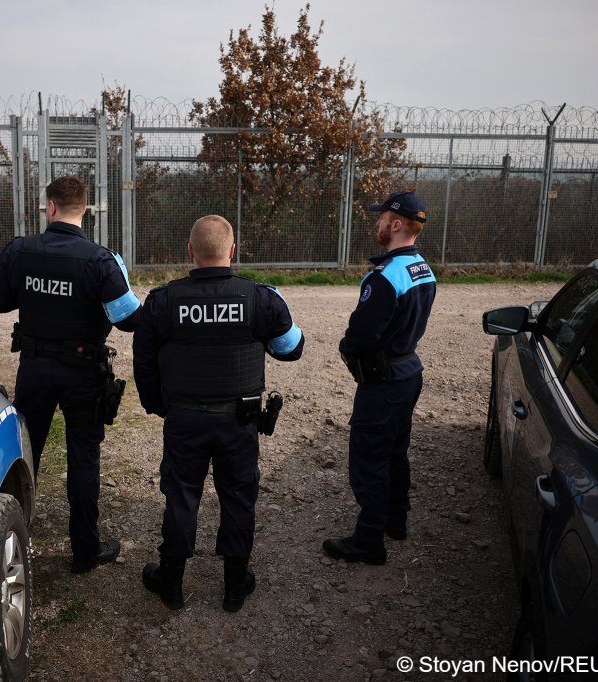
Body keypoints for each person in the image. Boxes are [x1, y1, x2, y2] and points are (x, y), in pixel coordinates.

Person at [133, 215, 304, 612]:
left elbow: (144, 361)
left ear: (190, 252)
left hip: (185, 418)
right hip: (240, 421)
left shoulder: (163, 301)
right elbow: (292, 348)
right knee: (239, 497)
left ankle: (171, 584)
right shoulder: (260, 299)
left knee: (181, 497)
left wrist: (156, 404)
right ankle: (233, 587)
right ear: (233, 251)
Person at [0, 175, 141, 574]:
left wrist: (34, 292)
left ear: (49, 207)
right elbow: (128, 321)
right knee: (83, 458)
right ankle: (85, 551)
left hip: (35, 369)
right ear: (84, 210)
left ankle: (10, 543)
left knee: (25, 453)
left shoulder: (20, 251)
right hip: (84, 371)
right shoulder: (102, 260)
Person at [323, 191, 437, 566]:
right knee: (394, 450)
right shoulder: (422, 267)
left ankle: (369, 540)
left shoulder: (386, 276)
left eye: (382, 217)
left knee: (369, 458)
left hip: (384, 379)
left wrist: (348, 347)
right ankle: (395, 520)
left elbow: (362, 334)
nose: (377, 223)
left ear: (397, 224)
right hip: (408, 371)